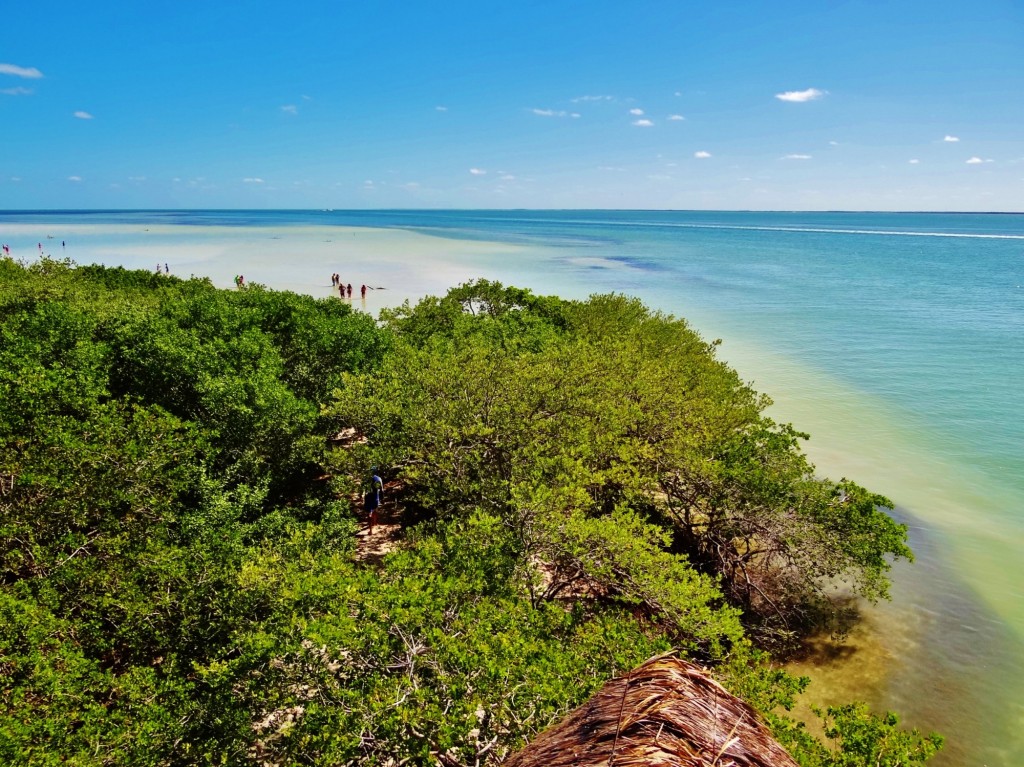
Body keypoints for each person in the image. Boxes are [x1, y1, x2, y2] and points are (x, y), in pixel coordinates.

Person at [363, 468, 384, 534]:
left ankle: (371, 530)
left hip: (368, 497)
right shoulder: (378, 479)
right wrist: (382, 498)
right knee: (375, 510)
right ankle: (374, 523)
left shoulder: (366, 479)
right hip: (375, 497)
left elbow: (364, 490)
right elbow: (381, 490)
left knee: (369, 513)